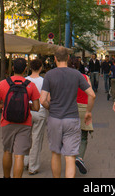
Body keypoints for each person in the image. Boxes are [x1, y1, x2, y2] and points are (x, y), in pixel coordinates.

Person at [40, 46, 96, 178]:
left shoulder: (49, 75)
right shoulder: (76, 74)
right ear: (68, 58)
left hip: (54, 118)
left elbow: (42, 100)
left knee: (55, 153)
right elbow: (92, 95)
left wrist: (50, 107)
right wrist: (88, 112)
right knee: (70, 156)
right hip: (72, 118)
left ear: (55, 58)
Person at [0, 57, 40, 178]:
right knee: (19, 155)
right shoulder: (30, 85)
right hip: (24, 123)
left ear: (12, 68)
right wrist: (25, 105)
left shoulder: (2, 84)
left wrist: (7, 104)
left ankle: (6, 176)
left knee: (7, 151)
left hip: (7, 122)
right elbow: (36, 107)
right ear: (25, 69)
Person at [24, 58, 48, 175]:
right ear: (40, 68)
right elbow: (45, 100)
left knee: (26, 138)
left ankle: (25, 161)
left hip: (26, 112)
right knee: (36, 139)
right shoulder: (44, 81)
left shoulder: (25, 80)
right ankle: (32, 166)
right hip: (40, 112)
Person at [75, 73, 94, 175]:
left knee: (71, 135)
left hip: (70, 107)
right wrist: (89, 111)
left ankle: (71, 156)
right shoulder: (85, 77)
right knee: (83, 137)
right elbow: (91, 93)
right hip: (83, 107)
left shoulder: (65, 76)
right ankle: (79, 157)